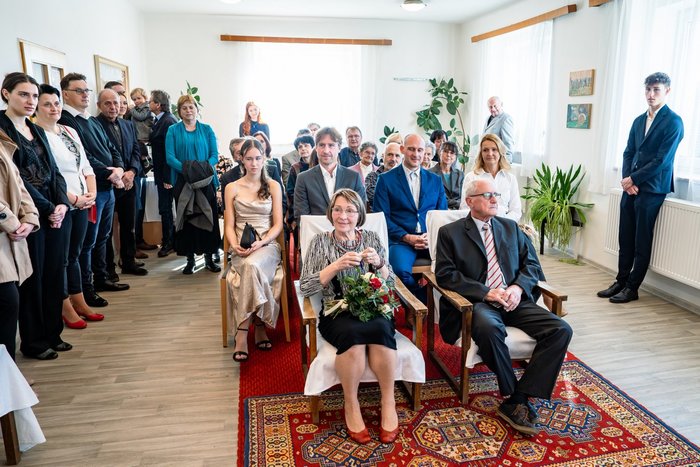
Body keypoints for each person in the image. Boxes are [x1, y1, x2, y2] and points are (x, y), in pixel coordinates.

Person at [435, 178, 573, 436]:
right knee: (489, 328)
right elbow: (445, 275)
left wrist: (517, 288)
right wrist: (486, 292)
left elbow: (531, 266)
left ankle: (519, 396)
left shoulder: (510, 227)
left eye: (495, 194)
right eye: (487, 195)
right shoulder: (450, 232)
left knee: (561, 330)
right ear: (470, 202)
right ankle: (513, 394)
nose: (494, 199)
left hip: (514, 299)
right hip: (479, 302)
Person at [300, 189, 400, 444]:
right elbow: (306, 287)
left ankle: (388, 401)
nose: (343, 216)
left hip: (373, 306)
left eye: (350, 210)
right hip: (337, 310)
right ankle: (351, 403)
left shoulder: (371, 238)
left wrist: (379, 263)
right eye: (338, 209)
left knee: (381, 330)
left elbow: (391, 282)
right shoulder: (320, 242)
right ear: (330, 212)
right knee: (353, 335)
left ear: (359, 214)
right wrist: (336, 266)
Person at [0, 72, 72, 360]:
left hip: (53, 210)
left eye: (33, 95)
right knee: (33, 280)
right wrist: (46, 208)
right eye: (23, 94)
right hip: (26, 215)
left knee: (55, 273)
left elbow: (54, 172)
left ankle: (53, 333)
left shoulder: (36, 129)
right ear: (6, 94)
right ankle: (34, 341)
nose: (30, 101)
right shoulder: (3, 130)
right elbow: (18, 180)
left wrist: (62, 203)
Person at [597, 72, 684, 304]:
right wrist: (628, 180)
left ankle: (632, 288)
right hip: (631, 187)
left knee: (641, 240)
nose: (651, 94)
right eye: (648, 89)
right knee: (625, 237)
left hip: (653, 188)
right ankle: (621, 281)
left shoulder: (674, 121)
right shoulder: (638, 120)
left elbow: (662, 160)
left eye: (656, 89)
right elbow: (628, 152)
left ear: (667, 91)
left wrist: (634, 179)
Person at [35, 84, 104, 329]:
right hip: (61, 204)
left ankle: (79, 300)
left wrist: (91, 193)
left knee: (75, 254)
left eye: (56, 103)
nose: (54, 108)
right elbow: (49, 177)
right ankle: (65, 306)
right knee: (60, 260)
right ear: (36, 108)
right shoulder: (36, 135)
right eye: (47, 104)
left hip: (83, 202)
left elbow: (85, 165)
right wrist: (73, 199)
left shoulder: (68, 130)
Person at [58, 72, 128, 306]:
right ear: (66, 94)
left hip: (106, 188)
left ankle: (101, 278)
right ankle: (86, 289)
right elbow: (84, 157)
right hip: (90, 190)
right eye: (79, 91)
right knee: (87, 242)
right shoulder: (66, 121)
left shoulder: (91, 120)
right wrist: (110, 172)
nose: (85, 94)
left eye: (86, 90)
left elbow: (111, 147)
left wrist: (119, 168)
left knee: (102, 237)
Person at [224, 138, 283, 362]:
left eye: (258, 158)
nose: (254, 163)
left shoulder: (273, 186)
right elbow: (229, 226)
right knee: (249, 264)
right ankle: (259, 325)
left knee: (252, 266)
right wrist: (234, 245)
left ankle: (242, 333)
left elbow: (278, 224)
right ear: (241, 159)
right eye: (249, 159)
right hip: (242, 246)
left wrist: (263, 242)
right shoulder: (232, 187)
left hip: (267, 246)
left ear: (264, 158)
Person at [373, 134, 447, 302]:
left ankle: (436, 305)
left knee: (452, 267)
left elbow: (441, 214)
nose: (416, 154)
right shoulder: (385, 180)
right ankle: (420, 304)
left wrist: (431, 235)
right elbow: (382, 218)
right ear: (402, 149)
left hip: (430, 240)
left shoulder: (435, 180)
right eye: (411, 149)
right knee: (399, 271)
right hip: (401, 240)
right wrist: (407, 237)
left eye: (420, 150)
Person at [165, 94, 221, 274]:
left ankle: (209, 258)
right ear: (179, 111)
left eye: (191, 107)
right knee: (187, 220)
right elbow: (170, 157)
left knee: (208, 218)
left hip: (206, 181)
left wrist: (200, 171)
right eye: (184, 108)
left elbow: (214, 155)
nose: (188, 110)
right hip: (183, 181)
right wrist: (189, 171)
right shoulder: (173, 130)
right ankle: (190, 260)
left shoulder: (207, 129)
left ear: (197, 109)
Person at [96, 89, 147, 277]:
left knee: (129, 225)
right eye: (108, 103)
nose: (113, 107)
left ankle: (128, 261)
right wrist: (117, 175)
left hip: (129, 182)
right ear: (99, 106)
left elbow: (135, 151)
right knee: (106, 230)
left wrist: (132, 172)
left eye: (116, 103)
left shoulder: (127, 124)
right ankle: (108, 269)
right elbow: (98, 155)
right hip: (107, 183)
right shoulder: (95, 125)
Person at [0, 129, 39, 360]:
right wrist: (12, 223)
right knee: (7, 302)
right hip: (6, 232)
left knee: (9, 306)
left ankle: (9, 373)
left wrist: (30, 217)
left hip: (12, 235)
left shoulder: (3, 140)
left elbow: (19, 185)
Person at [294, 127, 366, 223]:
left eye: (331, 145)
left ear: (339, 148)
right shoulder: (303, 178)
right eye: (322, 145)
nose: (326, 150)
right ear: (316, 148)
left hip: (347, 230)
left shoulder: (353, 177)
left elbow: (360, 212)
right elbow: (302, 217)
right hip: (315, 231)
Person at [460, 134, 521, 221]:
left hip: (504, 224)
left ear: (500, 152)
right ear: (481, 154)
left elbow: (516, 211)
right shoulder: (471, 177)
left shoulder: (510, 178)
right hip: (479, 225)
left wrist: (502, 224)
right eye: (485, 150)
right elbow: (465, 209)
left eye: (494, 149)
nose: (490, 153)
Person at [149, 90, 177, 258]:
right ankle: (169, 239)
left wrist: (167, 177)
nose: (148, 104)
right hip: (162, 173)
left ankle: (169, 242)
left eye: (150, 101)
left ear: (158, 104)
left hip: (167, 175)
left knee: (166, 209)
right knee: (164, 209)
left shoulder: (168, 121)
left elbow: (169, 152)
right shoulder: (160, 120)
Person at [285, 134, 315, 231]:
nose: (303, 149)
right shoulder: (295, 168)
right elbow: (290, 193)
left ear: (313, 147)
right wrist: (293, 217)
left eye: (306, 145)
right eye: (300, 147)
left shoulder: (319, 166)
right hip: (300, 209)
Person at [365, 142, 402, 211]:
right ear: (383, 156)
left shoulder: (407, 178)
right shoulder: (372, 176)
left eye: (397, 156)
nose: (393, 159)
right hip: (379, 215)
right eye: (390, 155)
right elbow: (373, 198)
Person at [430, 141, 464, 210]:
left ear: (455, 157)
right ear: (439, 152)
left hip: (458, 211)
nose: (448, 155)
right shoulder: (430, 173)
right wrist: (455, 203)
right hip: (438, 211)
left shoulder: (460, 174)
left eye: (452, 153)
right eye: (445, 151)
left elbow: (463, 196)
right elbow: (433, 198)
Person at [483, 96, 515, 163]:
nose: (493, 109)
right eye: (490, 107)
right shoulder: (488, 118)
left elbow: (508, 144)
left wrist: (505, 163)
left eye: (495, 106)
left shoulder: (506, 119)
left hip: (498, 161)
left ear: (501, 105)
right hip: (487, 159)